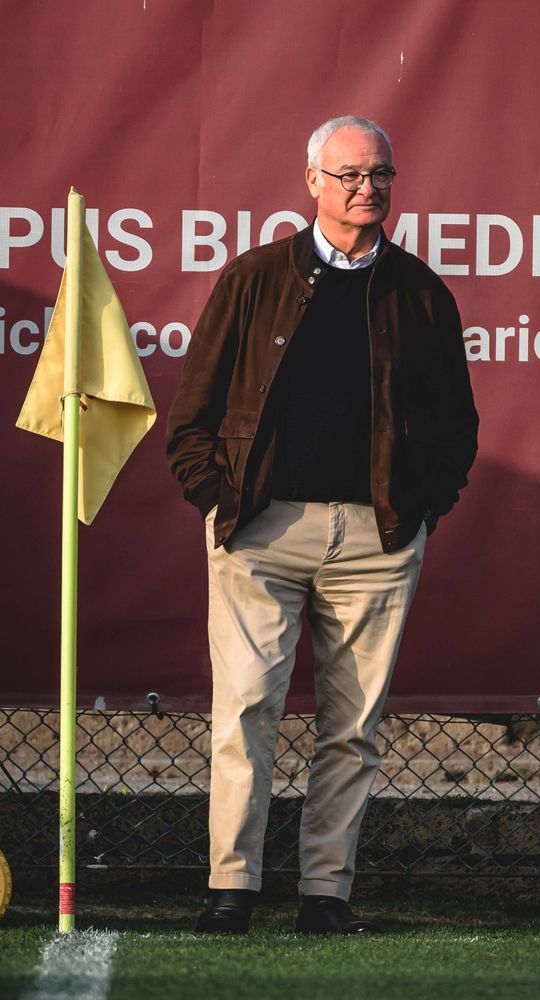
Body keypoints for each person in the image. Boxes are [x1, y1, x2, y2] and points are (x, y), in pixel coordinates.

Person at [166, 115, 478, 934]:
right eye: (348, 175)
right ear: (312, 183)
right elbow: (191, 414)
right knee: (245, 711)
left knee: (353, 729)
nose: (366, 189)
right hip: (260, 532)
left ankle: (324, 896)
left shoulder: (420, 293)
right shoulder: (253, 278)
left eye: (380, 174)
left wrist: (420, 514)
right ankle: (232, 888)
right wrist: (216, 498)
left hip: (376, 541)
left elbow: (457, 425)